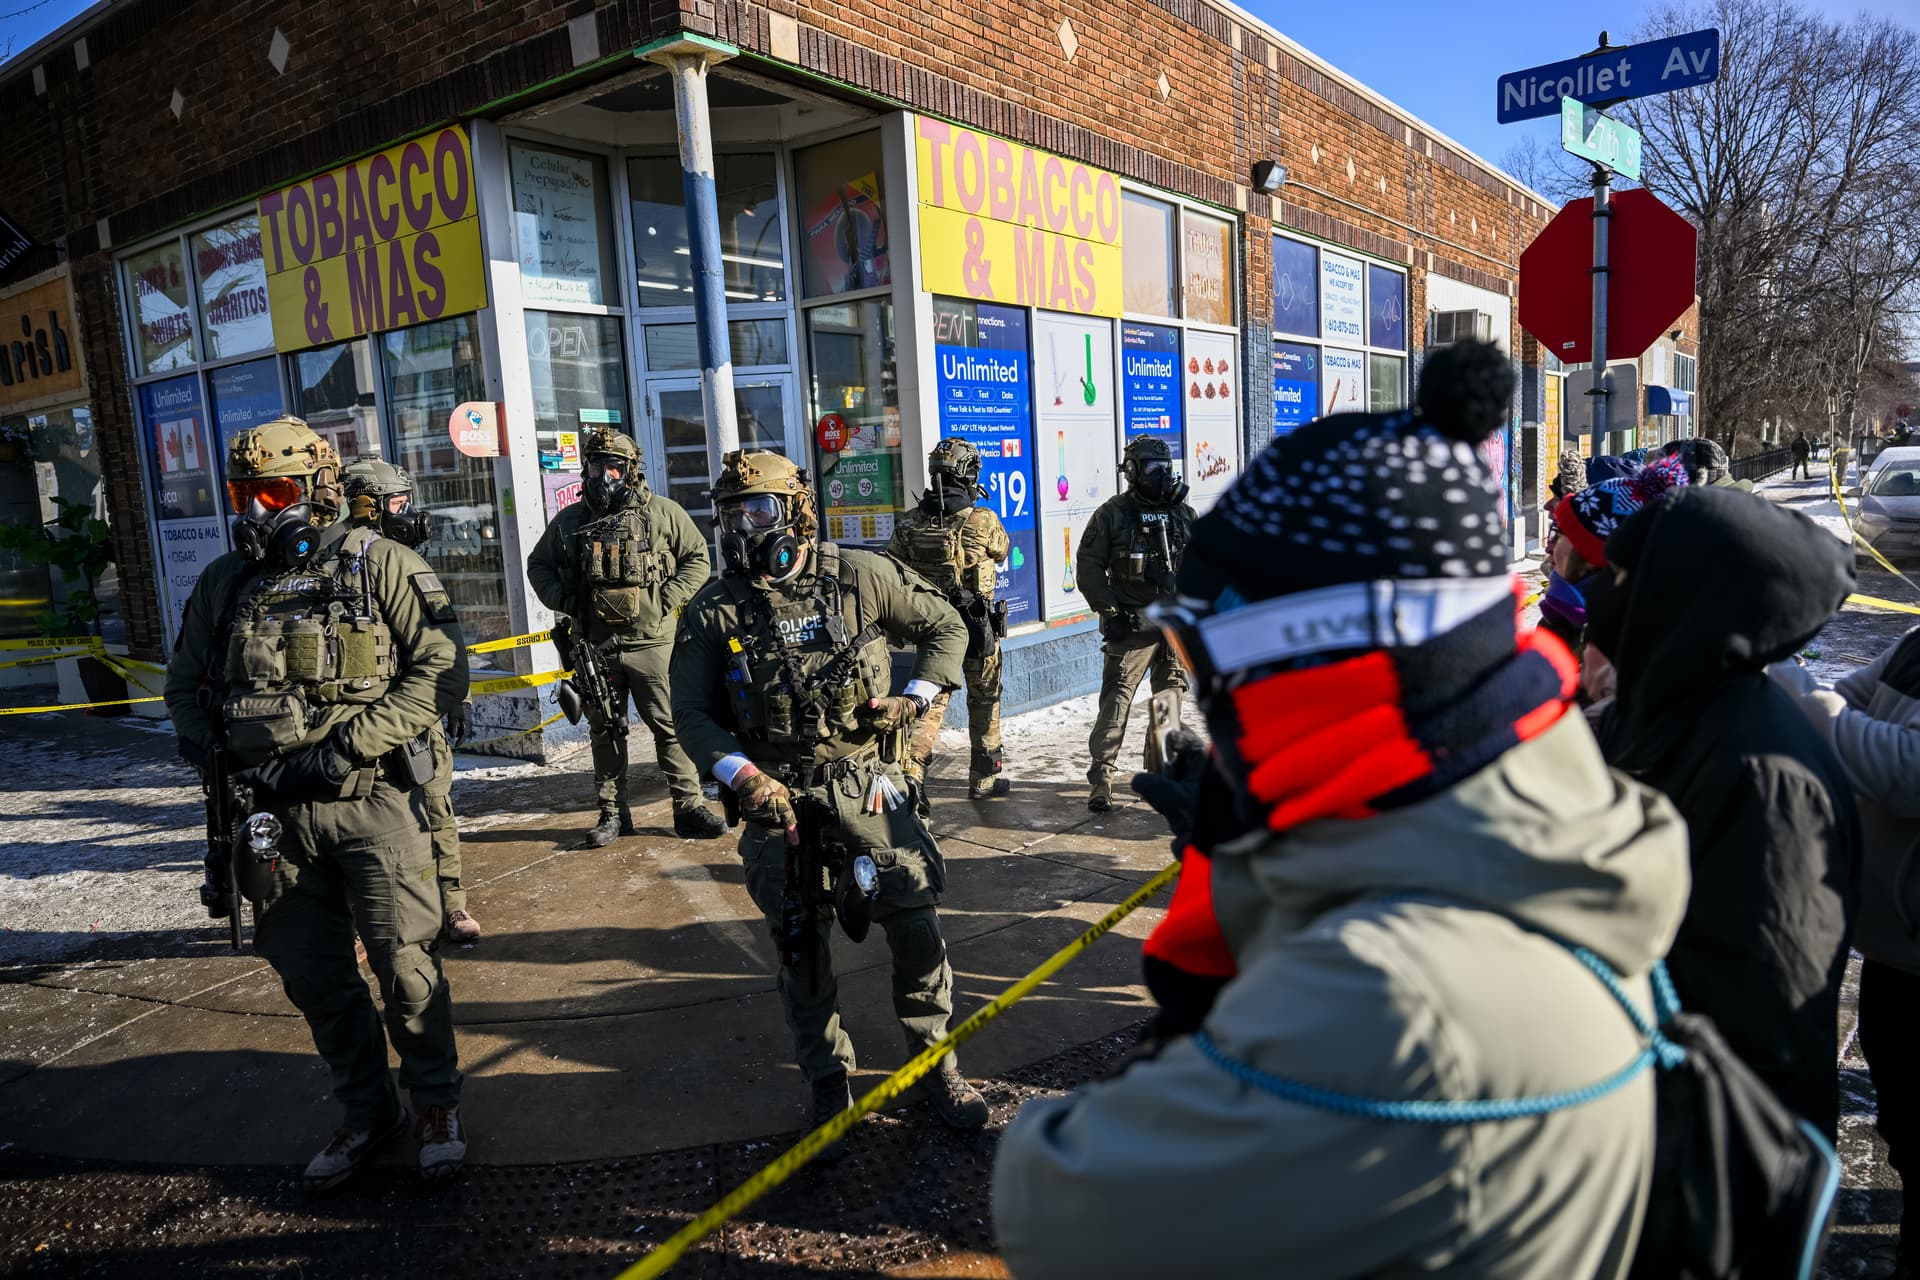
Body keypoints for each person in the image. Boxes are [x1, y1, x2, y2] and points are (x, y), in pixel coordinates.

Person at [993, 339, 1691, 1278]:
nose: (1205, 693)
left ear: (1295, 664)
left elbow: (1061, 1203)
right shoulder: (1559, 810)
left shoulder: (1391, 1006)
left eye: (1205, 656)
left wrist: (1224, 891)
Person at [164, 416, 471, 1190]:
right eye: (244, 494)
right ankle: (370, 1110)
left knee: (407, 967)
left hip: (369, 804)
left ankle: (435, 1103)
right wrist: (222, 756)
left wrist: (345, 747)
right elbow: (182, 687)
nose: (255, 512)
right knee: (313, 976)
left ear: (314, 492)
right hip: (273, 819)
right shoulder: (226, 585)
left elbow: (442, 672)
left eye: (270, 493)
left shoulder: (381, 564)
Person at [669, 450, 989, 1159]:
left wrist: (919, 696)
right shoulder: (713, 609)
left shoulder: (862, 575)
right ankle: (827, 1082)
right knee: (801, 949)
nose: (740, 527)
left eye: (755, 510)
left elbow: (947, 628)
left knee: (915, 926)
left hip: (869, 781)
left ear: (795, 512)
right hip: (777, 797)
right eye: (729, 514)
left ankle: (936, 1064)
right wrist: (741, 775)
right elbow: (689, 713)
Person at [1590, 485, 1859, 1138]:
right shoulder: (1660, 715)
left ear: (1679, 601)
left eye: (1623, 578)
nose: (1604, 598)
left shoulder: (1762, 775)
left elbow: (1766, 1025)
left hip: (1711, 1156)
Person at [1770, 629, 1920, 1275]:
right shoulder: (1917, 642)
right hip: (1892, 953)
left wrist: (1779, 676)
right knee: (1904, 1128)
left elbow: (1903, 771)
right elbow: (1845, 707)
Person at [527, 428, 725, 846]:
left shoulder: (663, 513)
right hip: (597, 648)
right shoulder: (570, 522)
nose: (605, 476)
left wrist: (663, 600)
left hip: (654, 643)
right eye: (598, 466)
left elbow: (697, 559)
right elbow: (538, 565)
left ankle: (688, 808)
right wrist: (564, 600)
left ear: (631, 471)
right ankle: (614, 815)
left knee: (671, 727)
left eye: (614, 467)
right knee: (605, 730)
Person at [341, 456, 479, 943]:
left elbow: (436, 650)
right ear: (367, 506)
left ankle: (453, 906)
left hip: (409, 714)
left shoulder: (396, 559)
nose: (409, 514)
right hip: (375, 718)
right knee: (388, 821)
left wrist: (450, 701)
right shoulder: (345, 560)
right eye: (398, 504)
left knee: (435, 807)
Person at [888, 438, 1012, 800]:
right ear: (968, 473)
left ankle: (912, 773)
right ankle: (984, 779)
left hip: (933, 629)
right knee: (985, 699)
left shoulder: (909, 522)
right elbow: (1002, 549)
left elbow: (892, 569)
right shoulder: (982, 519)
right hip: (977, 626)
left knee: (928, 701)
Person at [1076, 436, 1195, 813]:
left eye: (1165, 468)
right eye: (1150, 469)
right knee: (1117, 700)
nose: (1160, 476)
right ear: (1132, 472)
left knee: (1168, 701)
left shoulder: (1183, 515)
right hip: (1131, 625)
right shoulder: (1113, 514)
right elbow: (1089, 566)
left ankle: (1161, 774)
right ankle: (1103, 777)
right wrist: (1110, 613)